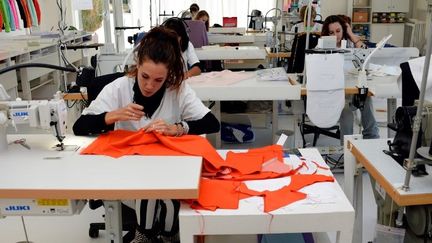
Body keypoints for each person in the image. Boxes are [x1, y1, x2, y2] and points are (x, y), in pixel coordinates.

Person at [73, 27, 220, 243]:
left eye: (158, 80)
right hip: (129, 169)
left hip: (167, 167)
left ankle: (169, 236)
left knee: (169, 197)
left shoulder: (177, 90)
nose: (150, 85)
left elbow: (211, 122)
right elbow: (79, 126)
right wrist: (111, 116)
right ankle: (145, 236)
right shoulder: (118, 88)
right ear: (137, 66)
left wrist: (179, 128)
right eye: (144, 76)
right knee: (149, 193)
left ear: (169, 75)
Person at [321, 15, 379, 140]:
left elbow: (366, 55)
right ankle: (347, 149)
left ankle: (372, 138)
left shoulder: (350, 46)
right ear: (326, 33)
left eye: (338, 31)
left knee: (366, 97)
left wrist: (351, 35)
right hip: (332, 96)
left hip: (350, 92)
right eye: (331, 32)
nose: (335, 35)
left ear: (343, 30)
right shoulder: (320, 49)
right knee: (346, 110)